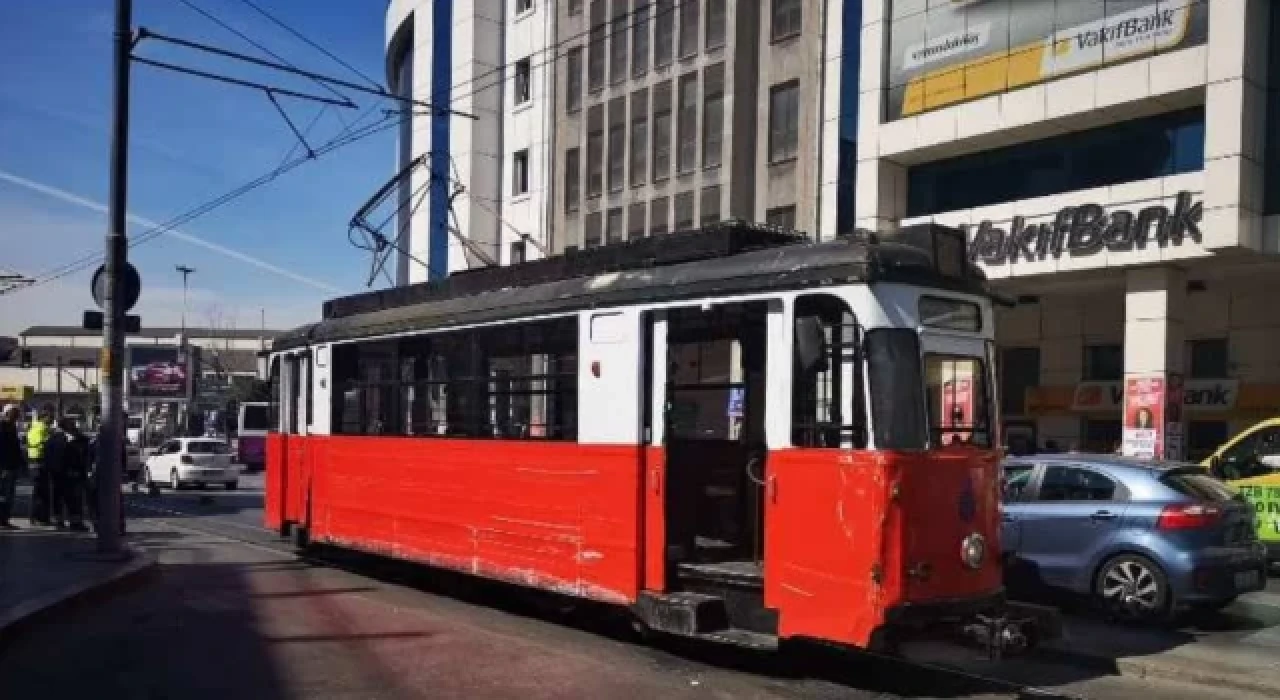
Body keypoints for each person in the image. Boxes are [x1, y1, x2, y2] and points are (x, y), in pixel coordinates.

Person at [0, 404, 26, 528]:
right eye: (14, 413)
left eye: (17, 413)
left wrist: (21, 463)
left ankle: (4, 519)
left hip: (11, 466)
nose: (17, 415)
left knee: (8, 495)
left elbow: (15, 448)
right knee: (3, 495)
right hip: (4, 467)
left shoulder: (12, 427)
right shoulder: (2, 427)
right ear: (7, 413)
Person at [25, 409, 52, 525]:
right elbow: (46, 443)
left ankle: (34, 516)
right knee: (42, 492)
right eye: (49, 417)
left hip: (32, 461)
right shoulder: (43, 428)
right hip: (40, 461)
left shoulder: (32, 427)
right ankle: (40, 518)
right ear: (43, 417)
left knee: (37, 491)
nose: (51, 419)